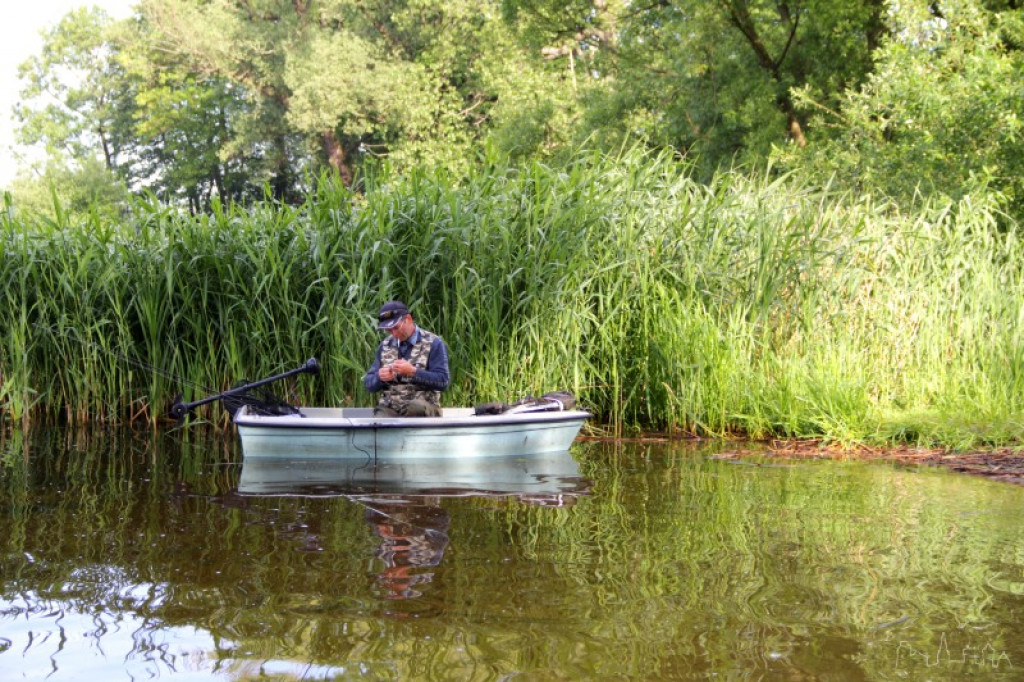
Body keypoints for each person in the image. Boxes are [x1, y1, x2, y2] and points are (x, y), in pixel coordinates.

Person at [363, 300, 450, 417]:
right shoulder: (385, 345)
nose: (393, 334)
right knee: (380, 417)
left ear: (408, 319)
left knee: (414, 408)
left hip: (424, 407)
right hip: (391, 407)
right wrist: (379, 377)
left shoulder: (433, 343)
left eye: (396, 328)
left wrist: (413, 372)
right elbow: (369, 384)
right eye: (389, 330)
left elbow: (443, 381)